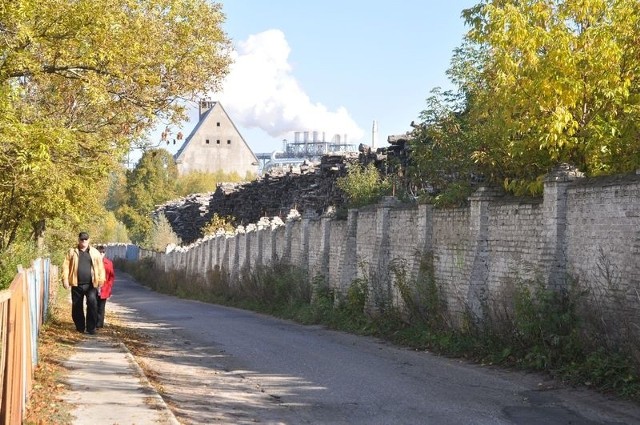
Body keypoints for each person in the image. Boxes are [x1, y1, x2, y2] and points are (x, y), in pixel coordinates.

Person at [62, 232, 105, 334]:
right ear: (78, 240)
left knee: (92, 304)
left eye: (85, 239)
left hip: (91, 284)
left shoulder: (94, 252)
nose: (84, 241)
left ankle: (91, 328)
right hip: (76, 284)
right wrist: (65, 279)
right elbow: (65, 266)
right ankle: (80, 327)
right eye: (82, 239)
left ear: (89, 240)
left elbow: (100, 267)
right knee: (77, 306)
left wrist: (101, 279)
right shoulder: (72, 252)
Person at [96, 245, 115, 328]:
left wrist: (109, 286)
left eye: (103, 252)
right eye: (100, 252)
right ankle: (92, 323)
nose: (101, 254)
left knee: (101, 307)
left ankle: (99, 324)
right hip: (94, 287)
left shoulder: (108, 263)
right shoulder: (93, 262)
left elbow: (111, 276)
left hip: (104, 288)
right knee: (92, 305)